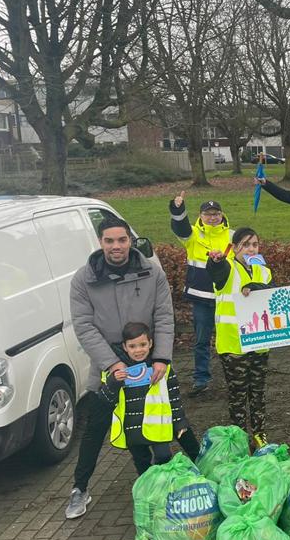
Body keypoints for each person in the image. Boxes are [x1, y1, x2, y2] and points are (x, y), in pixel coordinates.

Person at [66, 215, 175, 519]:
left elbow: (164, 317)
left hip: (147, 357)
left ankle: (163, 480)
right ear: (100, 243)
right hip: (109, 361)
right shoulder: (83, 279)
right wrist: (112, 363)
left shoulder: (151, 274)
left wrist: (161, 358)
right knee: (96, 425)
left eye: (122, 240)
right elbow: (84, 326)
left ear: (130, 241)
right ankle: (80, 488)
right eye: (109, 241)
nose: (116, 246)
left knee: (158, 420)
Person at [99, 322, 199, 474]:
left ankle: (165, 485)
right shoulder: (116, 371)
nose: (138, 350)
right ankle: (149, 492)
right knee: (142, 463)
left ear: (151, 343)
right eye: (132, 346)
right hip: (132, 429)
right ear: (125, 347)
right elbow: (105, 399)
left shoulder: (161, 368)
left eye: (142, 344)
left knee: (164, 456)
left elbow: (174, 398)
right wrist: (113, 381)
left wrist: (179, 422)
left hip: (157, 426)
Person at [207, 227, 273, 450]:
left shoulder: (263, 271)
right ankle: (239, 437)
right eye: (245, 245)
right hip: (234, 343)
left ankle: (259, 434)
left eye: (254, 244)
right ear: (234, 248)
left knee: (258, 393)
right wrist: (215, 261)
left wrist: (257, 287)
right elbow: (217, 271)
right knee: (237, 394)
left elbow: (270, 294)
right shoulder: (228, 268)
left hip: (260, 342)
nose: (250, 249)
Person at [169, 193, 232, 396]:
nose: (212, 217)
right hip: (202, 299)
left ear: (222, 215)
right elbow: (180, 228)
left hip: (227, 299)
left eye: (216, 214)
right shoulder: (194, 234)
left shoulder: (232, 235)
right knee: (202, 341)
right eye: (208, 214)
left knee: (231, 341)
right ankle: (201, 379)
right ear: (201, 215)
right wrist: (178, 209)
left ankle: (234, 376)